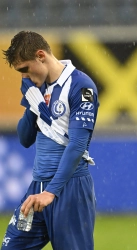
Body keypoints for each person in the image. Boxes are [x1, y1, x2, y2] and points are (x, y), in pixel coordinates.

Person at [1, 31, 99, 250]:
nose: (23, 77)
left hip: (69, 188)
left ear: (40, 56)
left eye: (25, 69)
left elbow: (77, 145)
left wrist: (51, 192)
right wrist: (32, 103)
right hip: (38, 187)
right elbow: (25, 138)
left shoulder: (81, 86)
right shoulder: (38, 86)